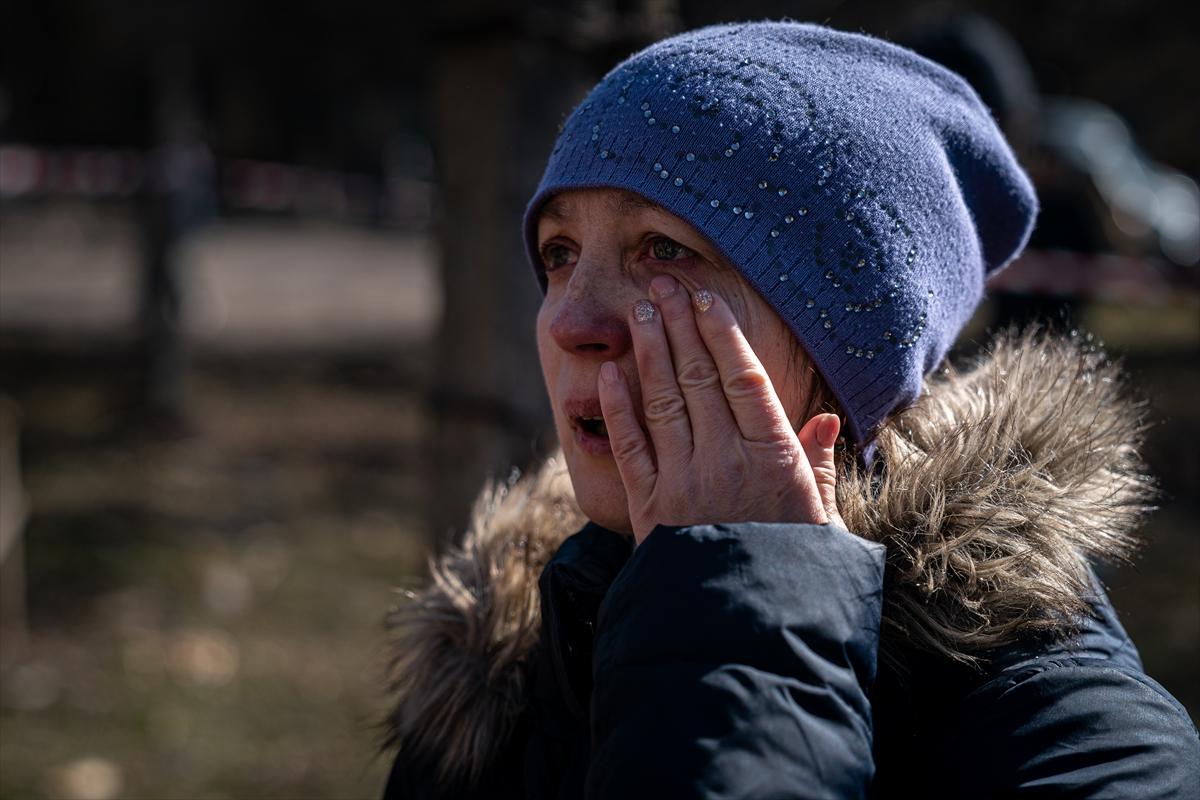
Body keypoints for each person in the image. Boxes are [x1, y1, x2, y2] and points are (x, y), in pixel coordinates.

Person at [381, 22, 1200, 799]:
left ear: (852, 348)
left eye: (663, 250)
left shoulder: (1081, 739)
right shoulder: (492, 686)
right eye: (560, 253)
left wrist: (732, 618)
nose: (568, 322)